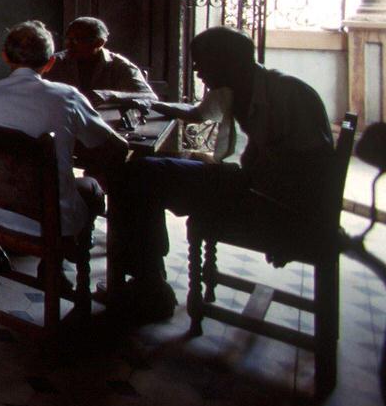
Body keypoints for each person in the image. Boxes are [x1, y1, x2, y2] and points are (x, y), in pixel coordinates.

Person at [106, 26, 333, 320]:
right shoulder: (237, 87)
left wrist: (280, 227)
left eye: (202, 62)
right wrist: (152, 104)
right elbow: (198, 114)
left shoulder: (290, 93)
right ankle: (148, 277)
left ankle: (148, 282)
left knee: (139, 175)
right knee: (140, 174)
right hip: (250, 186)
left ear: (230, 62)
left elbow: (313, 170)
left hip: (276, 203)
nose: (197, 70)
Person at [0, 21, 130, 273]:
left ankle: (12, 251)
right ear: (51, 62)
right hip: (49, 217)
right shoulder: (68, 97)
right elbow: (109, 146)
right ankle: (61, 259)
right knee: (92, 187)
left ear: (4, 57)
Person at [43, 16, 153, 102]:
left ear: (99, 43)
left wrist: (111, 95)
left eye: (77, 40)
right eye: (68, 39)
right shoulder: (55, 63)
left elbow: (149, 96)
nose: (69, 45)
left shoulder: (118, 66)